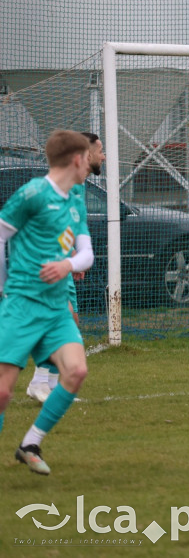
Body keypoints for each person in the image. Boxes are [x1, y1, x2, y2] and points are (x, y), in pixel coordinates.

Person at [0, 130, 95, 475]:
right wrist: (3, 286)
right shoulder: (32, 193)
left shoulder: (76, 200)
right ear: (76, 159)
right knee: (2, 393)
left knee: (77, 371)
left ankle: (30, 443)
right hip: (22, 305)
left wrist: (67, 264)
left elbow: (86, 254)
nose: (91, 163)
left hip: (56, 310)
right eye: (88, 157)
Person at [27, 132, 106, 403]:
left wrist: (74, 256)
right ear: (85, 154)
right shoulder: (63, 183)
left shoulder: (78, 184)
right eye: (100, 151)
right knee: (63, 321)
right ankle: (40, 382)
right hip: (46, 263)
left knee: (68, 322)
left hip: (61, 262)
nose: (103, 156)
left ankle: (44, 384)